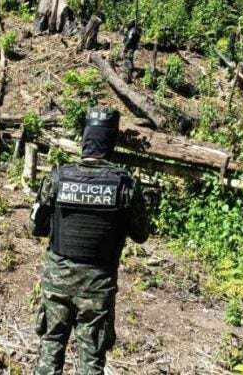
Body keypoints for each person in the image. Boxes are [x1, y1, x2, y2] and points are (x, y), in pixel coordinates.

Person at [29, 107, 153, 375]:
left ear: (85, 138)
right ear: (110, 142)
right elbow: (141, 235)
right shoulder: (124, 185)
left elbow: (34, 227)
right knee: (92, 360)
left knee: (50, 347)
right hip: (98, 285)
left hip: (58, 279)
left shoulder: (58, 177)